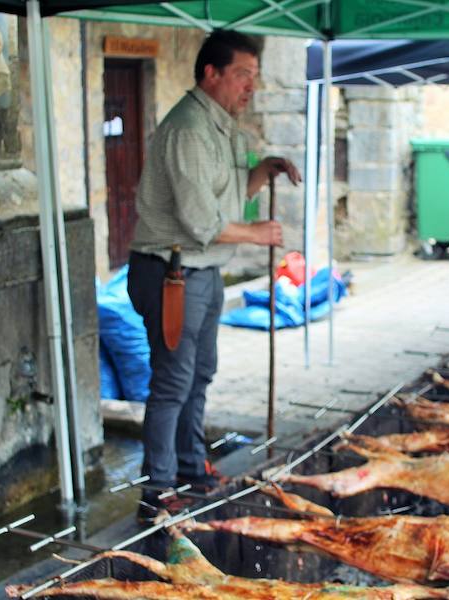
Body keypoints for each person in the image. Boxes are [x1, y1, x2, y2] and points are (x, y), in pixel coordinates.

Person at [127, 30, 300, 519]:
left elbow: (225, 197)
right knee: (172, 382)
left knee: (199, 374)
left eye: (254, 77)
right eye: (243, 75)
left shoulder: (224, 128)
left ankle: (190, 466)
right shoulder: (188, 130)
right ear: (212, 73)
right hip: (170, 271)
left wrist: (262, 172)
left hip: (201, 272)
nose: (251, 88)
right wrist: (258, 234)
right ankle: (156, 492)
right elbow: (201, 221)